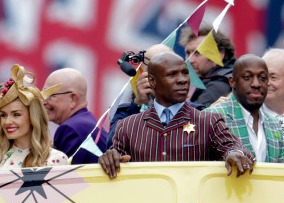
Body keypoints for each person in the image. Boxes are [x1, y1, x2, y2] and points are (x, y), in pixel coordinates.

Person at [99, 52, 252, 179]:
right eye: (172, 75)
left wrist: (235, 153)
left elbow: (233, 146)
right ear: (152, 81)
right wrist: (110, 158)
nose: (182, 80)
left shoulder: (208, 121)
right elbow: (115, 157)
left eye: (185, 73)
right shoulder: (127, 126)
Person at [205, 55, 284, 163]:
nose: (256, 84)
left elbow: (280, 172)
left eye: (262, 78)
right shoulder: (211, 117)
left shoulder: (276, 125)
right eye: (247, 77)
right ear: (232, 82)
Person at [42, 68, 108, 164]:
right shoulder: (86, 124)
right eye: (43, 95)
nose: (43, 101)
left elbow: (66, 177)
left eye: (50, 95)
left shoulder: (71, 129)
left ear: (73, 99)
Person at [109, 43, 173, 137]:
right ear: (142, 72)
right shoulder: (126, 111)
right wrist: (137, 103)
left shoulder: (194, 111)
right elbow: (112, 142)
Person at [182, 27, 236, 107]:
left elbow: (195, 117)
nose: (190, 60)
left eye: (197, 53)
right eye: (188, 53)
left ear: (218, 55)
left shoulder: (219, 85)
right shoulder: (215, 78)